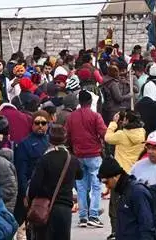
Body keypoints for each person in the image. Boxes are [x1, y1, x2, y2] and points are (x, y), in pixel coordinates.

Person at [26, 124, 80, 240]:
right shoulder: (72, 159)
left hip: (45, 207)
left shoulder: (45, 159)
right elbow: (80, 175)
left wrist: (31, 202)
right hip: (65, 207)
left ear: (49, 139)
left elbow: (34, 186)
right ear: (65, 140)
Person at [65, 90, 107, 228]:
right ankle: (93, 215)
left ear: (79, 102)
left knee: (81, 186)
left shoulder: (71, 117)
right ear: (90, 102)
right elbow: (104, 133)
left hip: (78, 155)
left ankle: (83, 216)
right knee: (96, 185)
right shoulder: (95, 116)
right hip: (94, 154)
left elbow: (67, 136)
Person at [101, 156, 156, 240]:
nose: (106, 186)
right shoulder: (122, 191)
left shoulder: (137, 192)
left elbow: (146, 225)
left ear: (115, 177)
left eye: (106, 182)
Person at [14, 111, 51, 226]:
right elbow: (21, 172)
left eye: (43, 123)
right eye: (37, 122)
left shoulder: (51, 141)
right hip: (34, 191)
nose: (40, 125)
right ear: (32, 124)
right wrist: (25, 194)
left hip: (51, 190)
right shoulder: (24, 144)